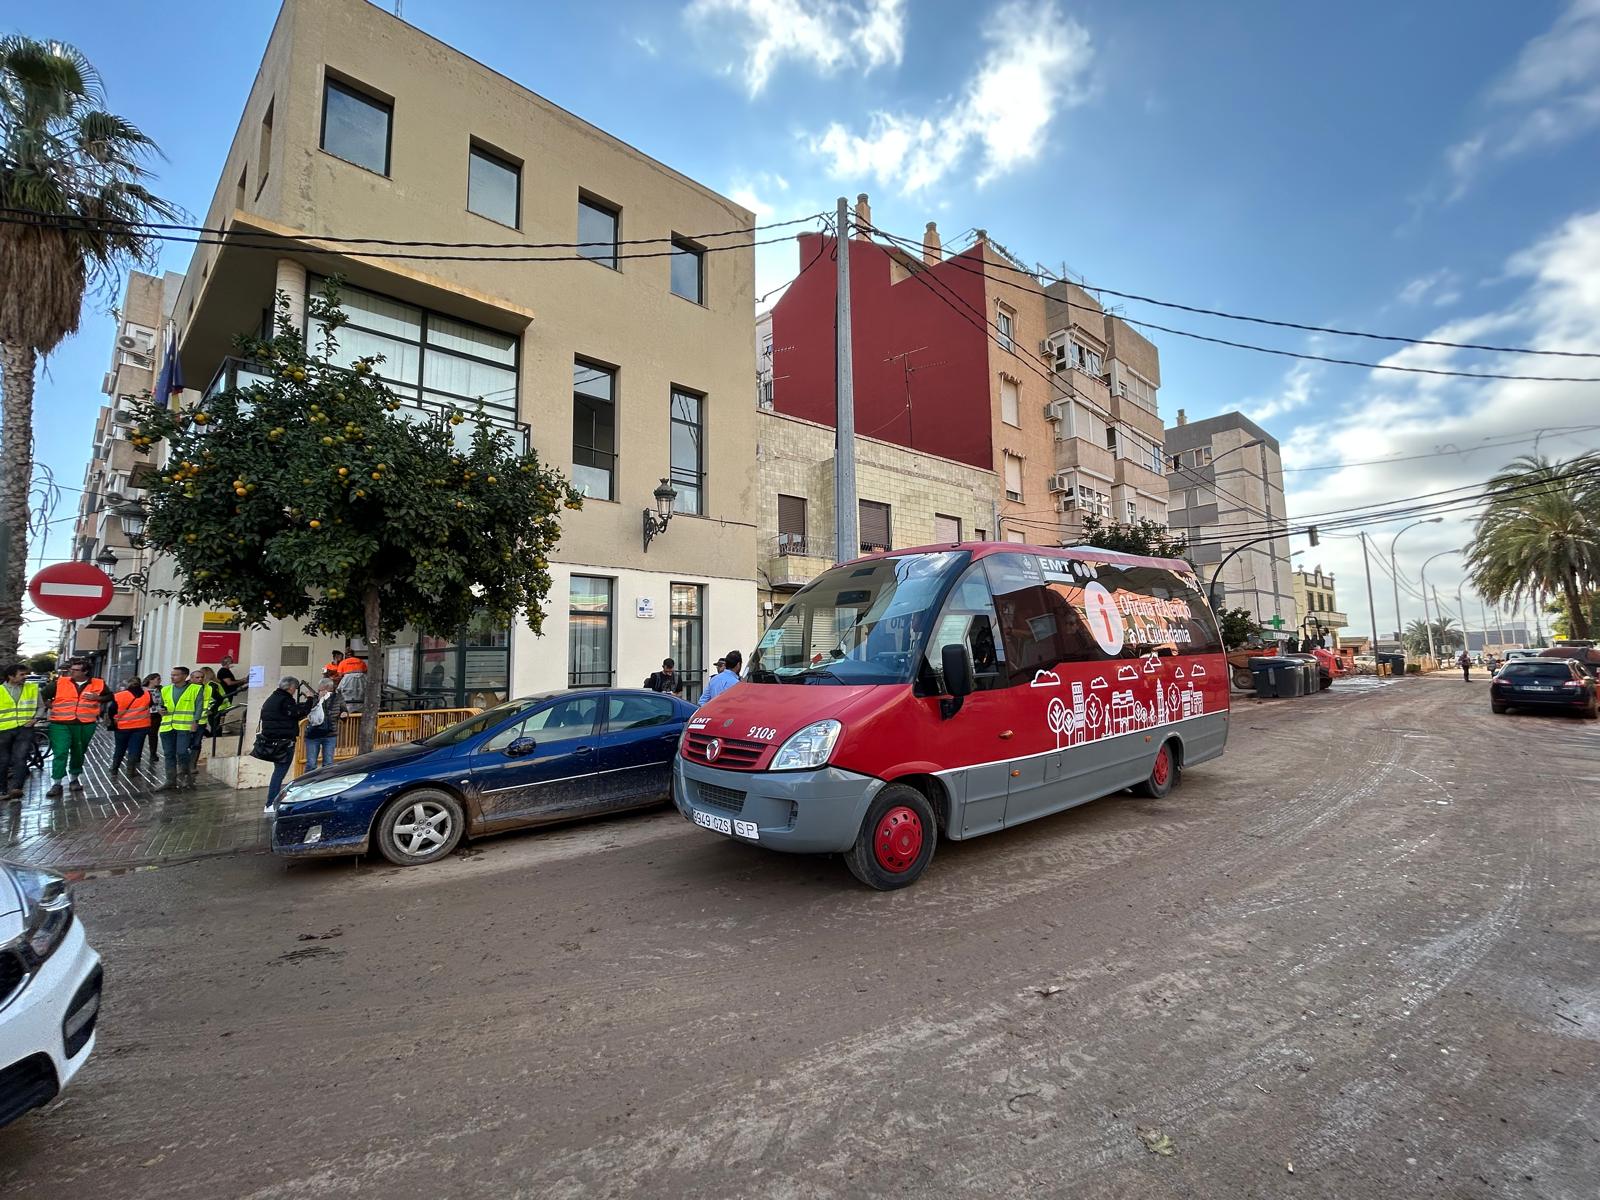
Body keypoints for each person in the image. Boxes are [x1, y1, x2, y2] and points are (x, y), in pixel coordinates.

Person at [43, 658, 108, 797]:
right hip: (60, 723)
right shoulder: (60, 682)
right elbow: (43, 695)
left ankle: (74, 779)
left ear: (85, 672)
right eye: (71, 669)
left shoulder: (98, 683)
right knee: (60, 752)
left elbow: (110, 696)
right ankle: (57, 783)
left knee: (79, 751)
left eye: (76, 670)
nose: (71, 672)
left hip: (85, 723)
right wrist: (50, 705)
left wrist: (98, 698)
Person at [261, 676, 316, 805]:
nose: (295, 690)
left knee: (278, 771)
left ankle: (274, 798)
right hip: (284, 741)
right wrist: (309, 699)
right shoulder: (285, 700)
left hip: (272, 740)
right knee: (280, 772)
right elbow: (299, 713)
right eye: (295, 688)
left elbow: (288, 713)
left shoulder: (273, 698)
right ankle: (271, 802)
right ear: (290, 687)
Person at [157, 666, 206, 792]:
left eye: (176, 675)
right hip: (167, 726)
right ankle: (170, 780)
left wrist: (195, 721)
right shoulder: (166, 689)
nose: (172, 677)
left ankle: (186, 778)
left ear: (184, 676)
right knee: (169, 754)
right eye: (172, 675)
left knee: (182, 752)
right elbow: (161, 704)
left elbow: (199, 706)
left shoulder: (195, 689)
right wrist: (160, 710)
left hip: (184, 726)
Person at [0, 662, 42, 800]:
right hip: (3, 730)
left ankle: (16, 788)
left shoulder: (32, 688)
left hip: (25, 729)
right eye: (22, 674)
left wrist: (35, 719)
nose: (25, 677)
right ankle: (2, 790)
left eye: (26, 674)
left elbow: (41, 706)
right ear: (11, 676)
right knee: (3, 760)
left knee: (20, 758)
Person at [109, 675, 153, 775]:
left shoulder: (119, 695)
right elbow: (150, 705)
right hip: (141, 726)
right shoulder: (147, 695)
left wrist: (113, 719)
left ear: (128, 684)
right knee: (135, 748)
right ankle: (130, 770)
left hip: (122, 727)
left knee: (120, 748)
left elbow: (111, 709)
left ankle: (114, 768)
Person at [302, 676, 345, 772]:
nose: (319, 690)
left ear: (328, 688)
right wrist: (319, 699)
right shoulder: (314, 697)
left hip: (330, 733)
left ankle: (325, 779)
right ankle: (309, 780)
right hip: (313, 733)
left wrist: (344, 714)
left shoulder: (338, 698)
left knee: (328, 763)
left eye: (321, 688)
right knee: (311, 764)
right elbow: (309, 711)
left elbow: (343, 709)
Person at [143, 672, 164, 766]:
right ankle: (137, 754)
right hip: (144, 714)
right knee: (142, 734)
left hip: (156, 715)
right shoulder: (142, 690)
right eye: (158, 679)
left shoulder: (160, 689)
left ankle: (153, 754)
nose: (159, 681)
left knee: (153, 735)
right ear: (151, 680)